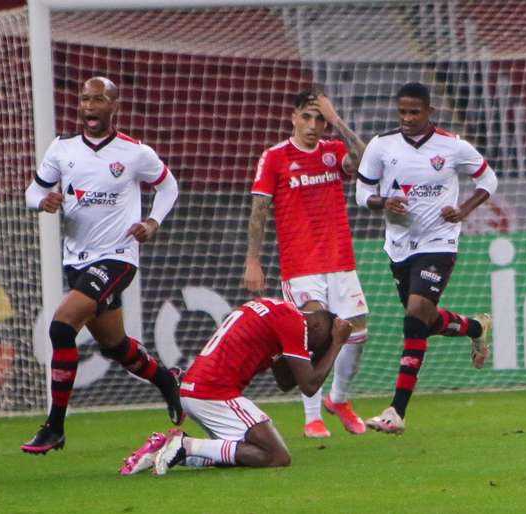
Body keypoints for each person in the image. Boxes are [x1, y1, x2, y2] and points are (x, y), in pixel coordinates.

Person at [21, 77, 182, 454]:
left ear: (114, 106)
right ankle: (166, 380)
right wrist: (41, 202)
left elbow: (168, 186)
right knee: (115, 345)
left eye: (98, 100)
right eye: (85, 99)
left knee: (62, 327)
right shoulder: (62, 149)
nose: (89, 106)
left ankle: (54, 427)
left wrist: (153, 222)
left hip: (118, 257)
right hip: (76, 258)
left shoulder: (134, 152)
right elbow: (34, 190)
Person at [355, 82, 498, 434]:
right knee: (423, 319)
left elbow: (488, 178)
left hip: (439, 241)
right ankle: (476, 327)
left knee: (416, 312)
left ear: (429, 111)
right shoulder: (381, 145)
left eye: (414, 112)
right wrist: (381, 202)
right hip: (399, 244)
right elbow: (362, 192)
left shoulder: (452, 146)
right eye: (402, 111)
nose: (406, 118)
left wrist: (464, 209)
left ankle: (396, 411)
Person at [243, 90, 370, 438]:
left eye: (320, 119)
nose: (313, 126)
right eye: (307, 117)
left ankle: (339, 400)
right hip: (301, 266)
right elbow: (259, 210)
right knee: (314, 334)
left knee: (357, 335)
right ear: (293, 117)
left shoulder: (334, 151)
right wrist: (253, 259)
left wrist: (339, 121)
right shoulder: (275, 157)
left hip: (340, 261)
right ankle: (311, 416)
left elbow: (365, 164)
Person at [118, 297, 353, 475]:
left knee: (245, 454)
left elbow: (284, 383)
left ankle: (163, 449)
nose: (312, 352)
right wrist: (337, 345)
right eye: (317, 347)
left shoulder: (279, 312)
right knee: (277, 455)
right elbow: (310, 386)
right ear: (318, 328)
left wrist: (320, 350)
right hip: (213, 392)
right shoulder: (294, 324)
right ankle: (185, 445)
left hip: (196, 389)